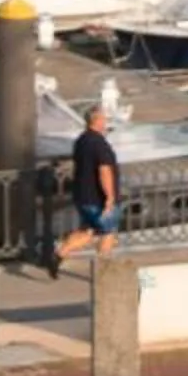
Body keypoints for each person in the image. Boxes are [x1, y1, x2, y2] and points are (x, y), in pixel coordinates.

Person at [51, 104, 121, 276]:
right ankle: (105, 273)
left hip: (83, 196)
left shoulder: (81, 140)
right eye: (104, 119)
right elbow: (104, 171)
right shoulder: (100, 144)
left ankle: (59, 254)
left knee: (87, 231)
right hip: (98, 199)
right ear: (97, 121)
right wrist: (110, 197)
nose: (106, 122)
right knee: (108, 233)